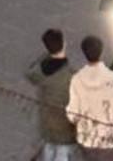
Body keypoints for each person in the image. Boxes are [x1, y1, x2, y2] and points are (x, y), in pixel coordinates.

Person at [67, 37, 113, 154]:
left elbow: (72, 115)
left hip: (87, 139)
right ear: (101, 51)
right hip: (108, 139)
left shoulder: (76, 79)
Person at [25, 28, 79, 161]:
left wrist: (46, 56)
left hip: (47, 127)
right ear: (64, 43)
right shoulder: (71, 76)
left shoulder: (39, 73)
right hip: (64, 131)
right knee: (62, 155)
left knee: (48, 151)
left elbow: (31, 72)